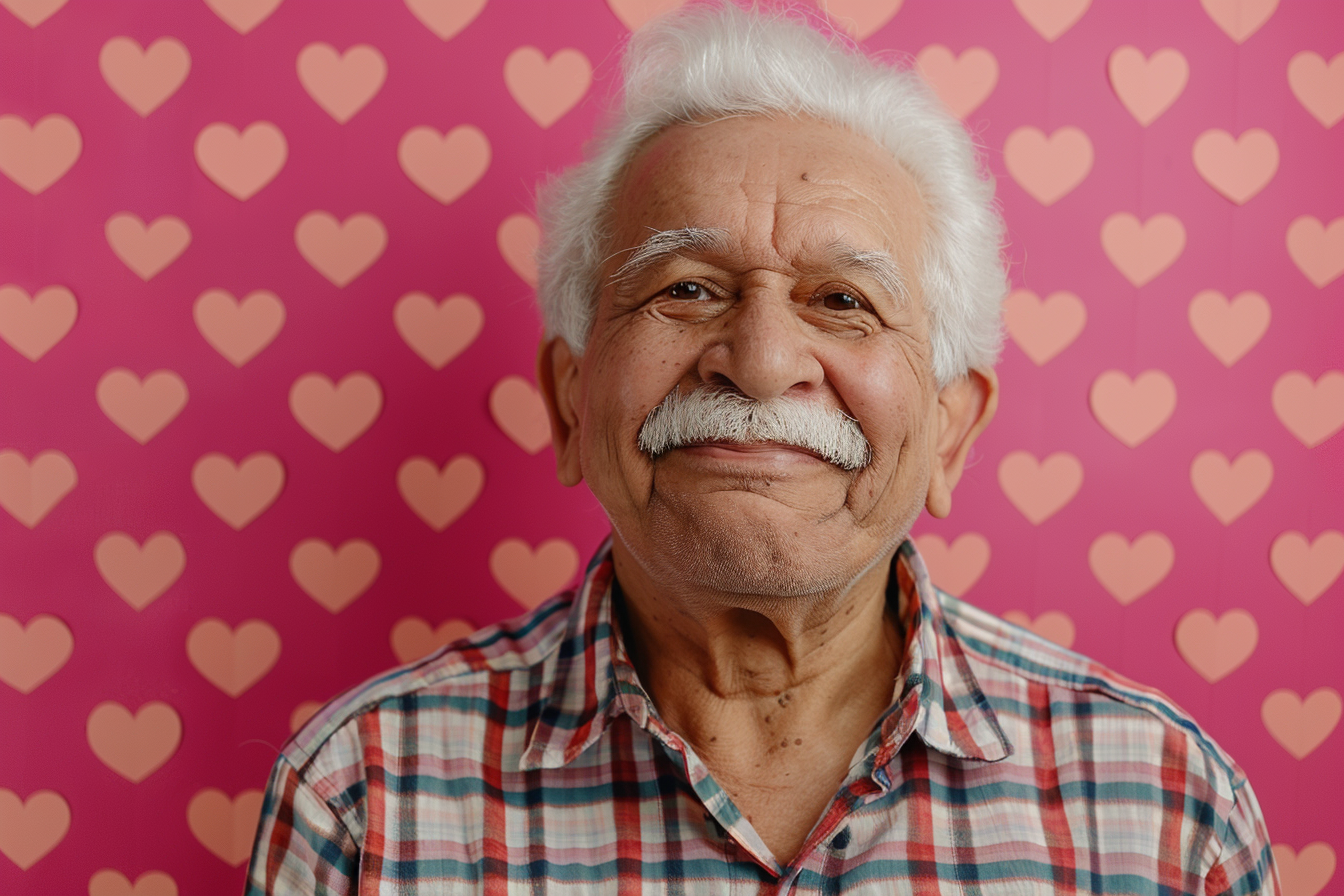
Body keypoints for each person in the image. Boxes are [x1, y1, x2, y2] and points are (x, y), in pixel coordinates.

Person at [246, 3, 1278, 893]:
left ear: (951, 429)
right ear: (570, 404)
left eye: (843, 300)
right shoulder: (365, 796)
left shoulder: (1166, 812)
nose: (761, 361)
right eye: (687, 287)